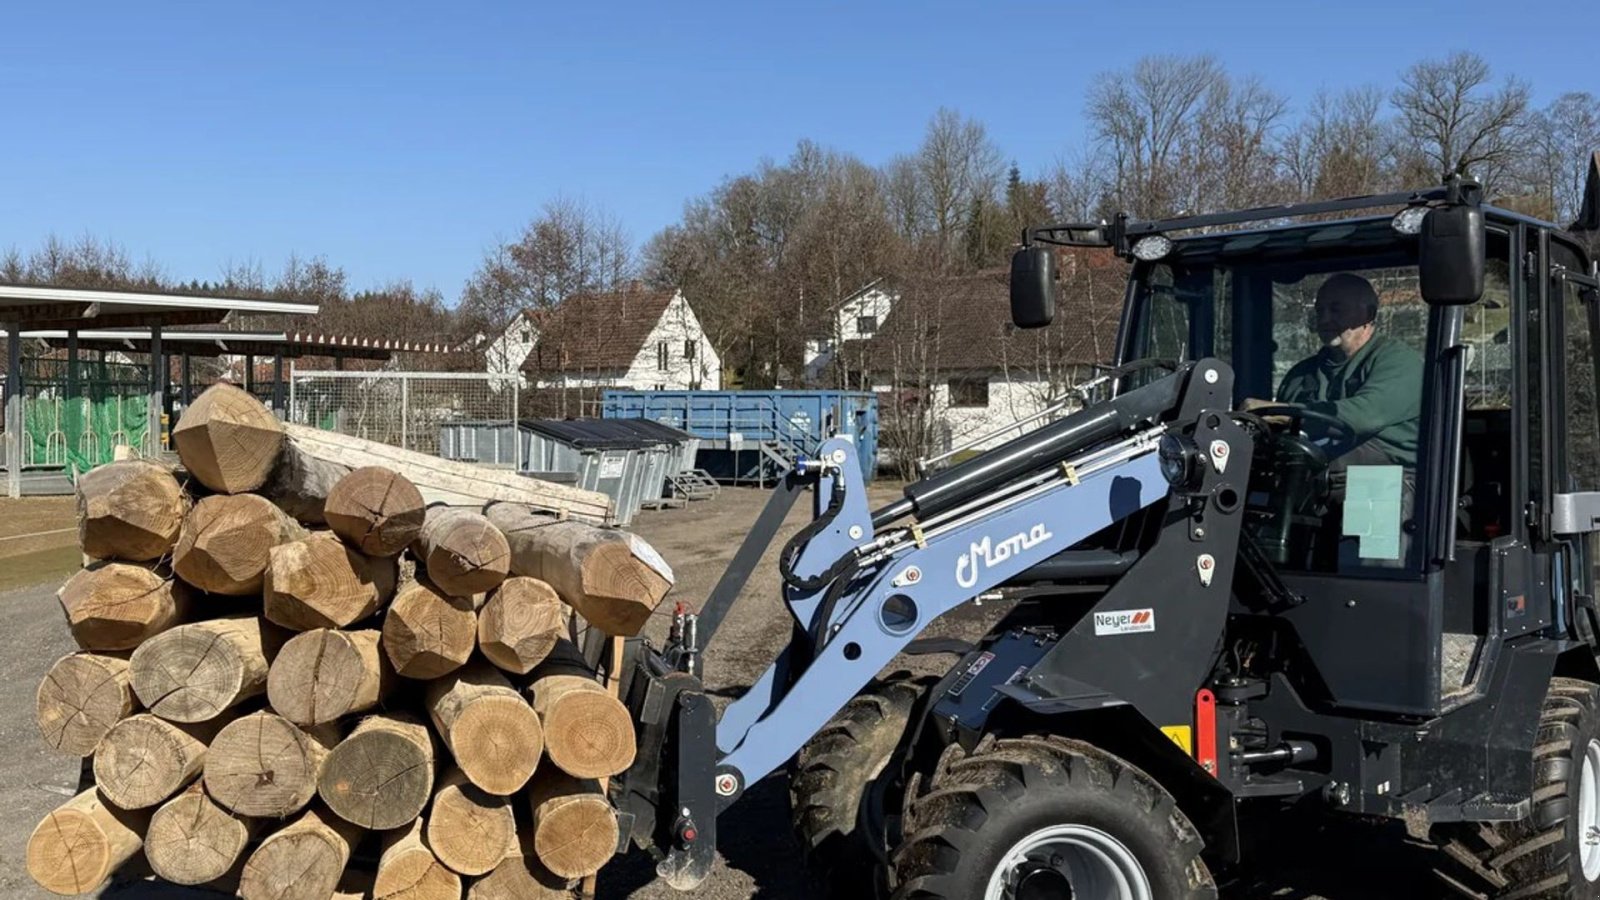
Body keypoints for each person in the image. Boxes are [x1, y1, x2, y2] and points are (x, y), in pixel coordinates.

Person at [1246, 273, 1424, 467]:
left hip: (1386, 483)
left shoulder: (1397, 361)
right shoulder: (1300, 375)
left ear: (1369, 315)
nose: (1324, 319)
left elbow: (1361, 417)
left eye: (1336, 310)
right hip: (1311, 481)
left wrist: (1286, 413)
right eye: (1320, 311)